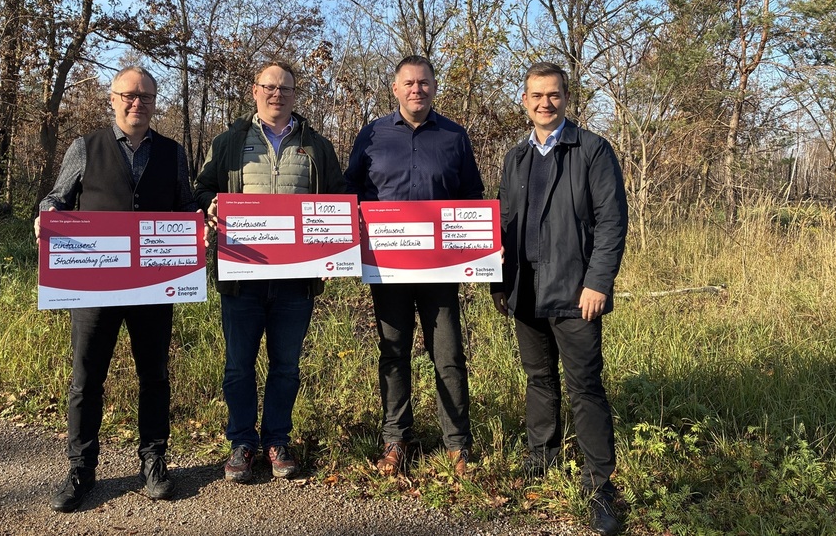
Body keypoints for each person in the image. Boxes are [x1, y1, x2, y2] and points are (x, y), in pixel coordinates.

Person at [35, 66, 198, 512]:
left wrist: (198, 223)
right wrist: (45, 218)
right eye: (129, 95)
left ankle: (153, 460)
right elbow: (57, 198)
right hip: (94, 285)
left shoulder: (173, 152)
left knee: (155, 375)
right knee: (86, 379)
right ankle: (81, 468)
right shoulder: (85, 147)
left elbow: (185, 204)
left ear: (154, 103)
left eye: (146, 97)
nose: (137, 103)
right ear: (112, 98)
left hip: (154, 284)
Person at [490, 62, 628, 536]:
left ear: (567, 98)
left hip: (575, 290)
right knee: (538, 379)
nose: (545, 103)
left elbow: (611, 222)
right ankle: (542, 457)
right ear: (524, 101)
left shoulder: (591, 150)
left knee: (584, 386)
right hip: (525, 289)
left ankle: (599, 484)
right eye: (537, 95)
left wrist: (598, 282)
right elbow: (503, 223)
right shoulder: (516, 157)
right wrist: (498, 282)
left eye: (553, 95)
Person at [194, 60, 345, 483]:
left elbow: (338, 198)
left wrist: (333, 252)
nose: (278, 94)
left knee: (286, 367)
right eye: (270, 87)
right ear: (255, 91)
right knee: (238, 366)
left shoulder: (317, 146)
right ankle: (242, 442)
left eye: (286, 88)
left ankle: (277, 439)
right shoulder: (228, 142)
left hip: (296, 279)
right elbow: (202, 187)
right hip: (241, 276)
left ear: (295, 95)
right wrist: (210, 205)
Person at [345, 55, 484, 477]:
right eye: (408, 83)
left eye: (423, 83)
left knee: (449, 355)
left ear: (434, 87)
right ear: (395, 89)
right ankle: (396, 439)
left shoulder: (454, 136)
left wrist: (477, 247)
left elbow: (472, 197)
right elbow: (350, 192)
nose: (416, 89)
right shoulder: (372, 135)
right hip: (387, 268)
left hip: (441, 269)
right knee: (393, 352)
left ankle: (457, 444)